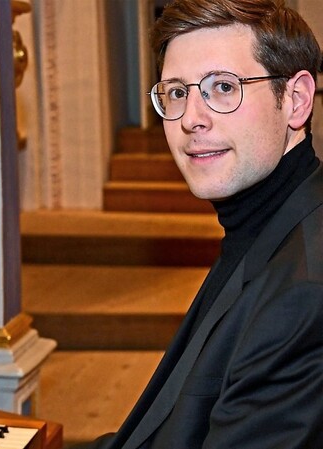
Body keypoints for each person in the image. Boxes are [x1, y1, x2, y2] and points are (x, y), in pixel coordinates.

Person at [72, 0, 323, 447]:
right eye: (176, 92)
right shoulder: (268, 227)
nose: (191, 119)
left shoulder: (303, 295)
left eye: (223, 87)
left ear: (297, 100)